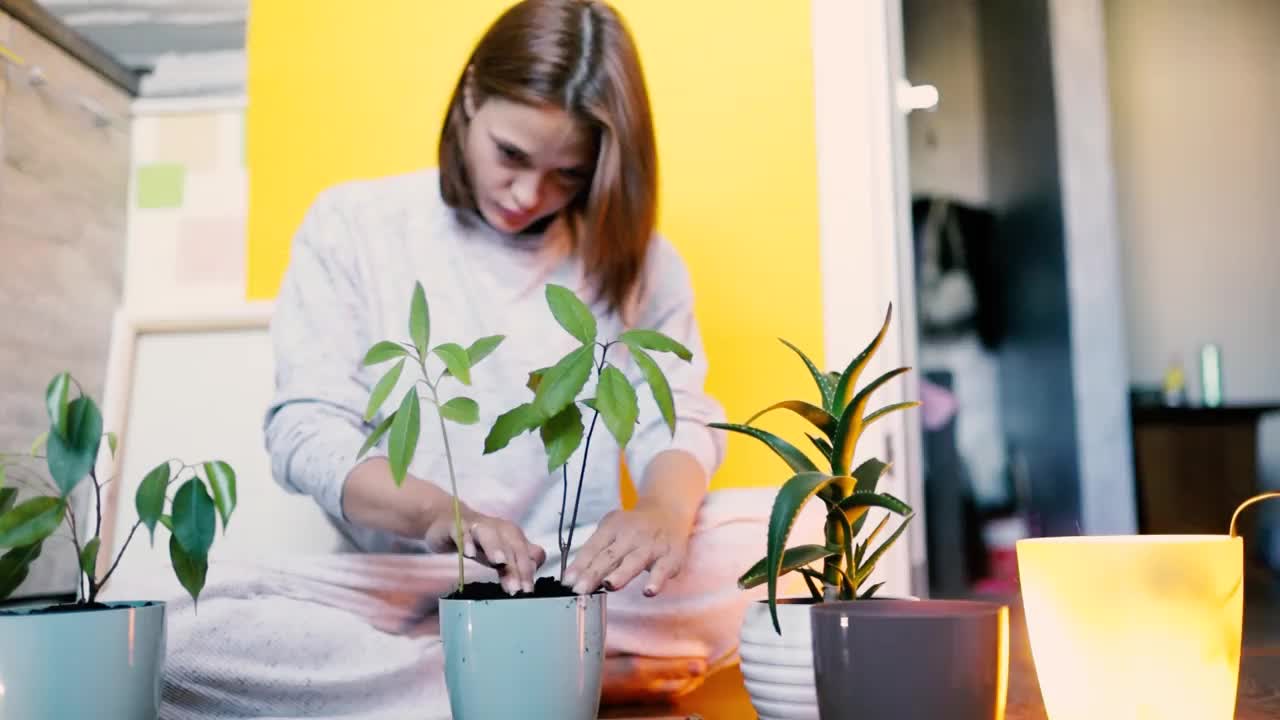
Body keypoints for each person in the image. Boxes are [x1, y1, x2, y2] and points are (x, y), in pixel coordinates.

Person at [130, 2, 818, 718]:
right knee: (161, 622)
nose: (529, 195)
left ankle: (475, 674)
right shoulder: (354, 225)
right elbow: (307, 431)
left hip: (569, 578)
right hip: (391, 585)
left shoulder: (642, 261)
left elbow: (673, 417)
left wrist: (665, 511)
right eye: (512, 156)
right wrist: (439, 512)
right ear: (468, 101)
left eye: (568, 175)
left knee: (791, 532)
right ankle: (549, 677)